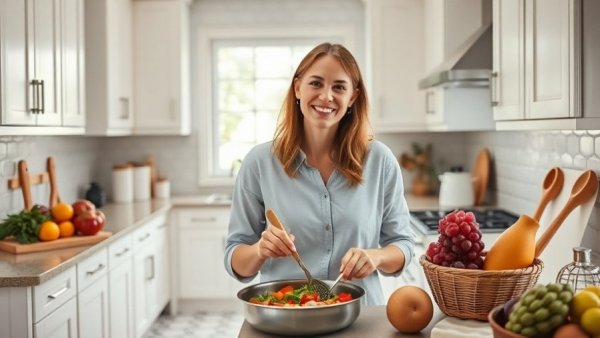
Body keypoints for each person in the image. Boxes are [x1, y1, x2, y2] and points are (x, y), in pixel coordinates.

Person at [223, 42, 414, 305]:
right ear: (297, 88)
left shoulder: (380, 160)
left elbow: (402, 244)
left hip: (361, 317)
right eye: (316, 83)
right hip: (286, 318)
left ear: (353, 97)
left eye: (339, 87)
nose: (326, 96)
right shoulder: (259, 163)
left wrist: (376, 257)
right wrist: (259, 250)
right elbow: (236, 260)